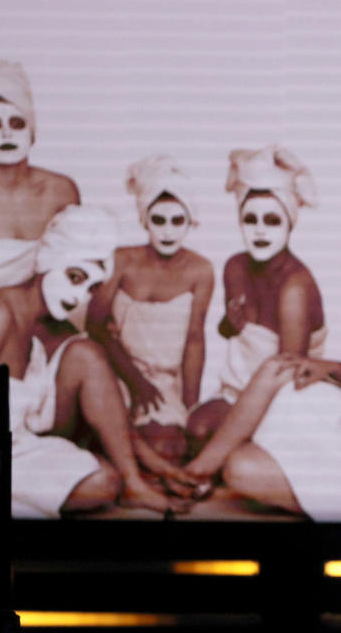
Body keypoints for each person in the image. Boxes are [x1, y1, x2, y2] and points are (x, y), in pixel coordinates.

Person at [183, 157, 341, 521]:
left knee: (241, 466)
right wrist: (328, 367)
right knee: (280, 368)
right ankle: (196, 471)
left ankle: (199, 471)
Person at [0, 205, 193, 518]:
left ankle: (134, 483)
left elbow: (107, 404)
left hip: (21, 442)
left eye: (92, 287)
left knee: (87, 354)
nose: (80, 296)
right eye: (74, 277)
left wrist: (152, 464)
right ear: (48, 261)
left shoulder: (57, 326)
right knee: (101, 483)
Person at [186, 144, 328, 441]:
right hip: (235, 390)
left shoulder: (295, 286)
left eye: (272, 221)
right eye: (251, 220)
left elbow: (286, 378)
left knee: (227, 450)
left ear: (290, 223)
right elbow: (231, 333)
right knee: (195, 428)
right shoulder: (235, 267)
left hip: (281, 401)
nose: (260, 231)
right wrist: (229, 324)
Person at [86, 156, 214, 464]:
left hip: (164, 381)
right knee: (111, 439)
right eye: (159, 220)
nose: (168, 231)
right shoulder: (121, 260)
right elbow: (94, 325)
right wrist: (134, 381)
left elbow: (195, 340)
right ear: (144, 220)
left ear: (190, 221)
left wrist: (189, 407)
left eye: (177, 221)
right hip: (117, 371)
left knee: (172, 449)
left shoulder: (201, 270)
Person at [0, 60, 81, 310]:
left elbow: (73, 275)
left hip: (45, 317)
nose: (7, 134)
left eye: (17, 123)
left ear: (32, 131)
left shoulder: (61, 190)